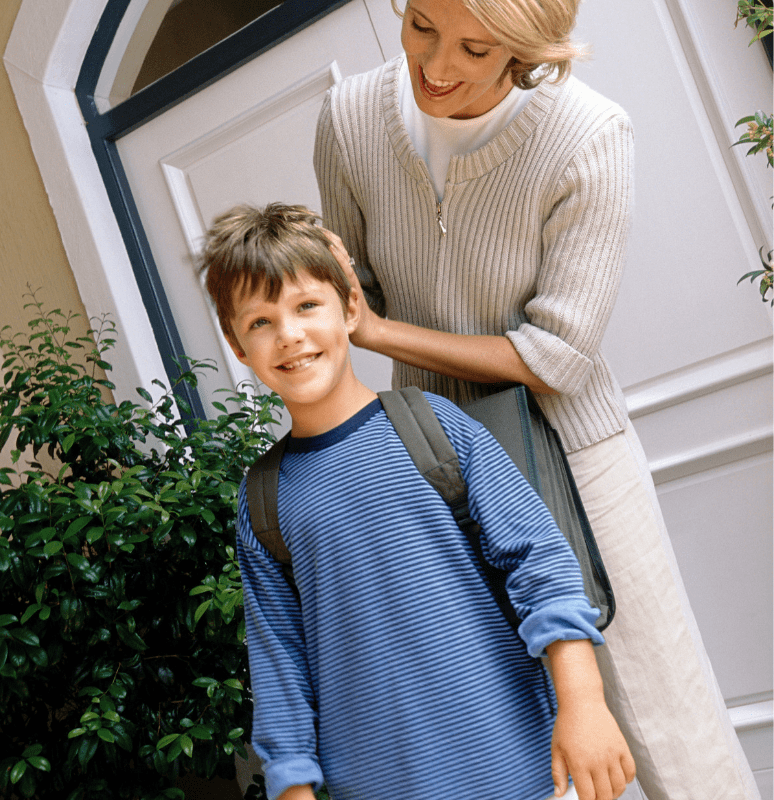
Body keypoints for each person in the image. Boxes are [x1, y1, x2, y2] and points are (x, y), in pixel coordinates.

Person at [312, 1, 761, 799]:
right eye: (421, 26)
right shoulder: (349, 120)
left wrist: (381, 335)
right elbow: (353, 293)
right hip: (435, 463)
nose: (435, 66)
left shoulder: (588, 134)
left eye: (474, 49)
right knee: (500, 716)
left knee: (663, 717)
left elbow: (556, 357)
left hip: (574, 455)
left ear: (528, 51)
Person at [199, 202, 636, 800]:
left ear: (349, 307)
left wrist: (583, 704)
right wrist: (292, 787)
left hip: (521, 769)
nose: (290, 335)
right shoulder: (264, 500)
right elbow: (280, 659)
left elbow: (541, 566)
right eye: (260, 322)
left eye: (306, 306)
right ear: (237, 345)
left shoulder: (434, 427)